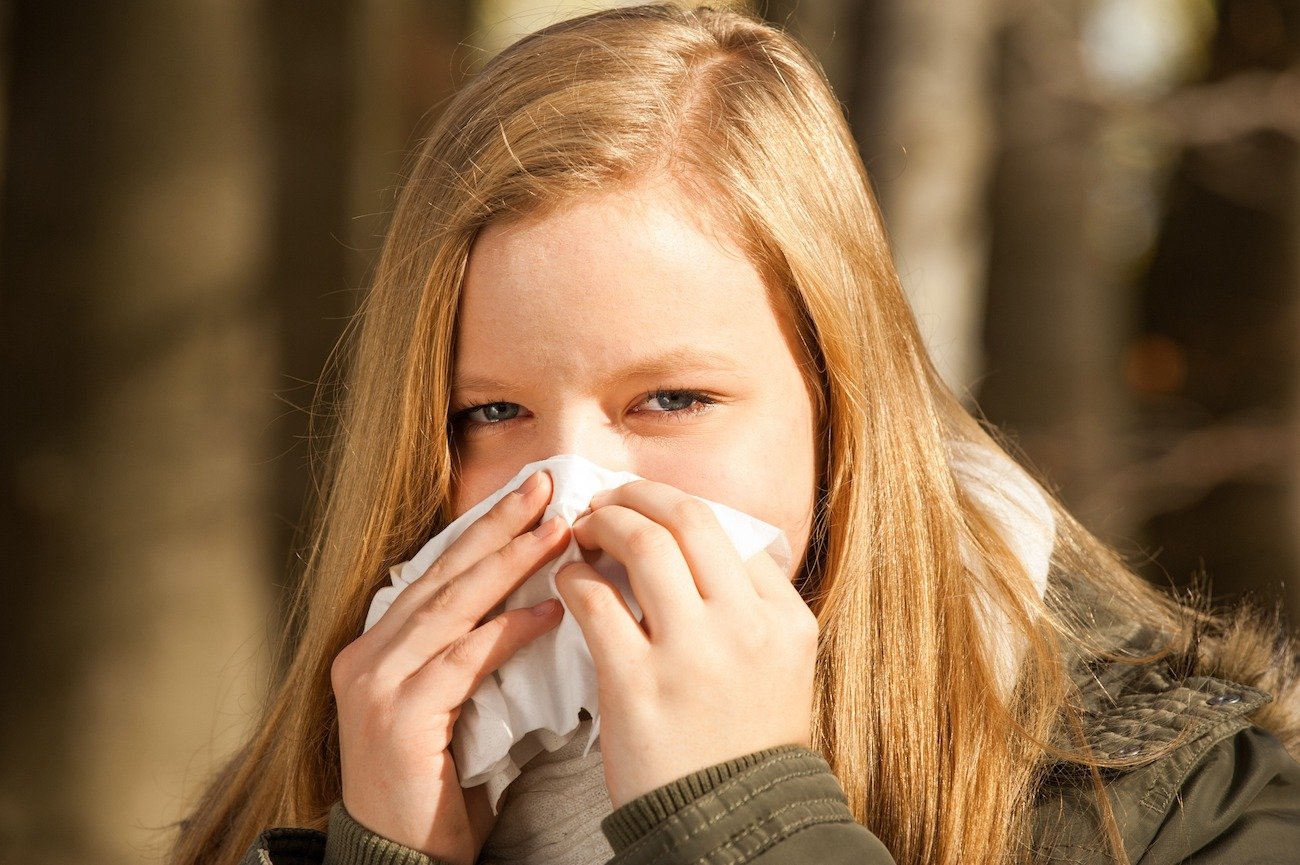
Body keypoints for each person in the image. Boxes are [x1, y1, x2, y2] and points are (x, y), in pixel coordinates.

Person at [168, 3, 1300, 864]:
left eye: (669, 401)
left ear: (839, 399)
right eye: (492, 413)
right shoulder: (293, 800)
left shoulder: (1175, 801)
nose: (573, 495)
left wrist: (744, 817)